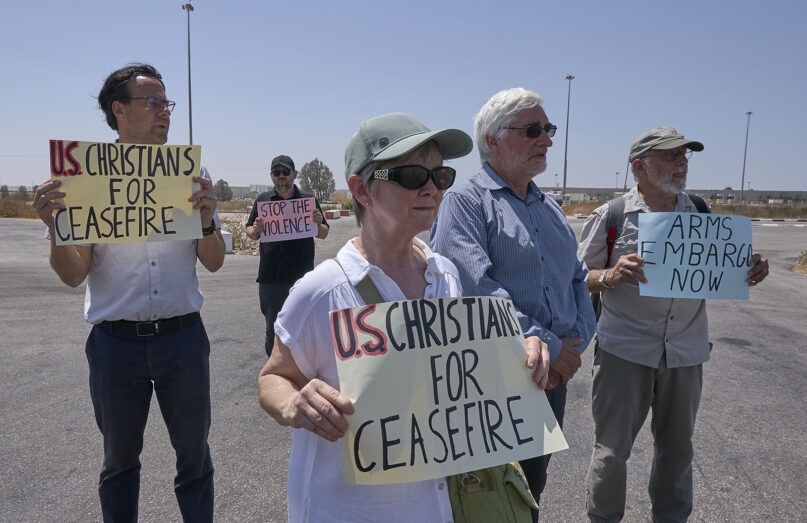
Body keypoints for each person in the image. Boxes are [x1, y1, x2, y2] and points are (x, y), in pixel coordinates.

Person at [257, 112, 551, 522]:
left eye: (440, 175)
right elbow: (273, 376)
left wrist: (520, 354)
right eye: (412, 175)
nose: (432, 189)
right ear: (362, 190)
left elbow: (458, 377)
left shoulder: (445, 274)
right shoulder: (321, 291)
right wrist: (293, 402)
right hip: (347, 510)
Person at [32, 63, 225, 522]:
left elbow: (214, 260)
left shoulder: (190, 174)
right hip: (115, 346)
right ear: (119, 110)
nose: (164, 112)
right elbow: (73, 274)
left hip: (182, 337)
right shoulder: (82, 179)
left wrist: (206, 221)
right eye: (152, 102)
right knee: (119, 465)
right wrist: (58, 229)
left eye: (167, 103)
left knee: (195, 461)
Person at [578, 126, 770, 522]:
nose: (681, 162)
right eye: (670, 155)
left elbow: (726, 269)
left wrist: (752, 268)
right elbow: (576, 277)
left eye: (685, 155)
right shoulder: (613, 215)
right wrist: (611, 275)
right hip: (624, 351)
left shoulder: (700, 213)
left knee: (678, 449)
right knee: (612, 451)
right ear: (639, 166)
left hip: (685, 352)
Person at [430, 87, 597, 520]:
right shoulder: (465, 204)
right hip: (494, 382)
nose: (546, 140)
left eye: (549, 129)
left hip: (552, 377)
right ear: (494, 140)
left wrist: (575, 340)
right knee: (488, 495)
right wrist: (555, 347)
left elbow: (578, 277)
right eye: (533, 130)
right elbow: (475, 294)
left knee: (531, 490)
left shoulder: (551, 207)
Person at [245, 155, 329, 357]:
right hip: (270, 278)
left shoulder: (308, 200)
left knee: (305, 328)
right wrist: (255, 230)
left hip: (303, 278)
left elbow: (324, 233)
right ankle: (277, 373)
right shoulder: (263, 201)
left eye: (285, 172)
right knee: (273, 330)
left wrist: (318, 223)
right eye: (277, 172)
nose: (281, 176)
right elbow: (250, 232)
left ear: (294, 174)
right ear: (271, 175)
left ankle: (305, 371)